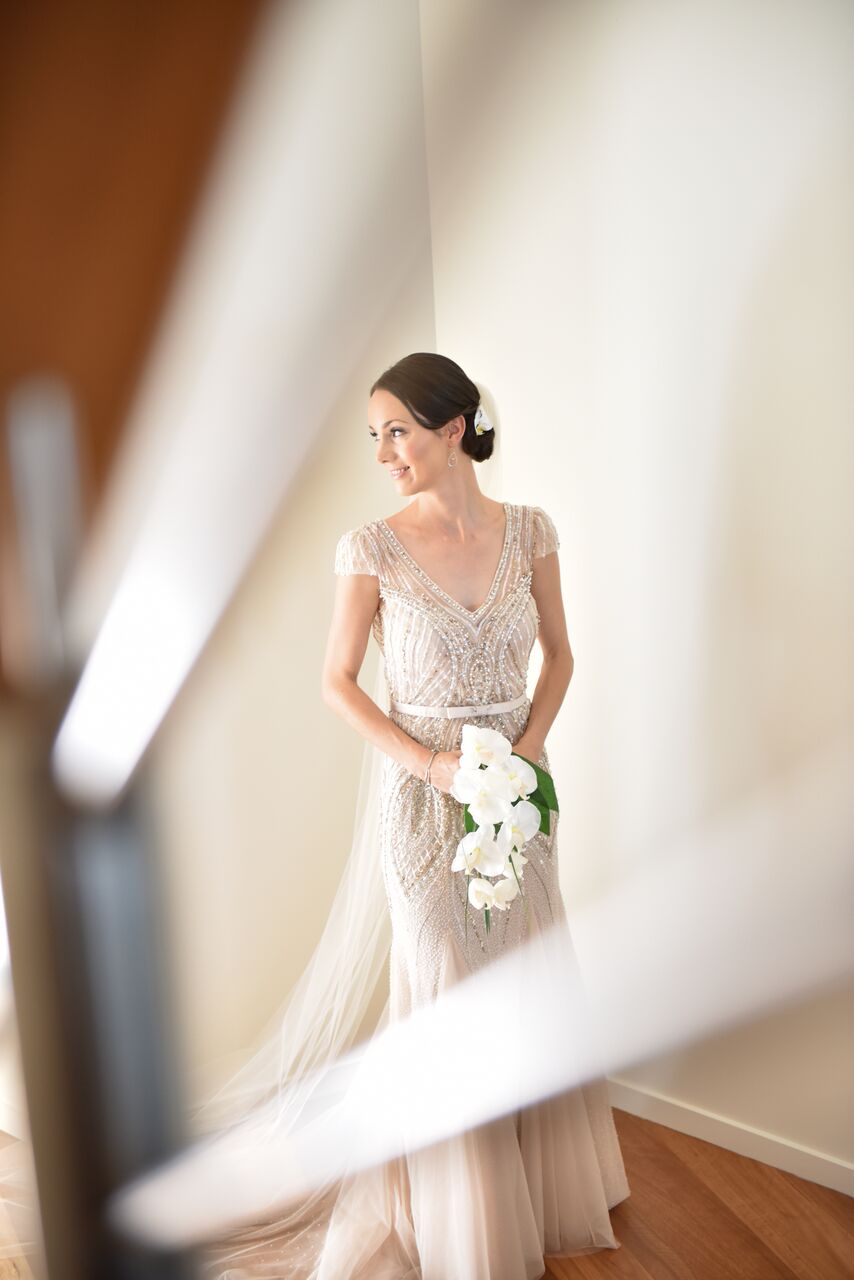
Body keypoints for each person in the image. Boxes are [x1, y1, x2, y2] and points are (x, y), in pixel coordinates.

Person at [292, 351, 628, 1279]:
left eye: (397, 430)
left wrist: (520, 759)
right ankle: (461, 1223)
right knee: (443, 977)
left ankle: (531, 1190)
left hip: (519, 792)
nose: (384, 452)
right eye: (375, 435)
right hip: (421, 793)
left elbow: (559, 657)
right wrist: (434, 766)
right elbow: (336, 682)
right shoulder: (369, 547)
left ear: (453, 428)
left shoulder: (532, 533)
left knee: (522, 971)